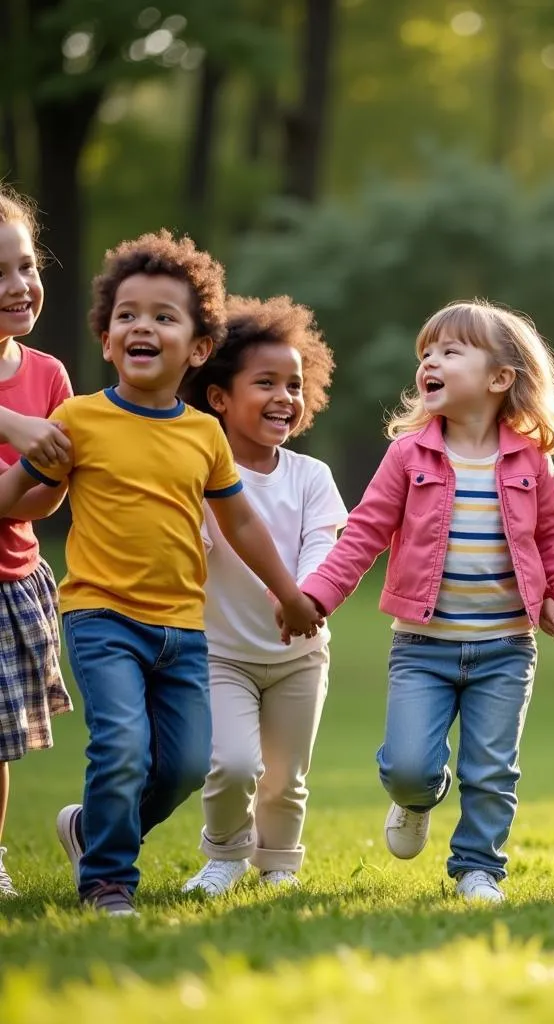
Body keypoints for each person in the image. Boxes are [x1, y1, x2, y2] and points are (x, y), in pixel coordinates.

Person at [0, 231, 323, 915]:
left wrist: (289, 593)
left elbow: (239, 523)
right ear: (109, 339)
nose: (142, 325)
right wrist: (24, 475)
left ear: (199, 348)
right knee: (122, 745)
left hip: (183, 629)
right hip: (101, 618)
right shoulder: (79, 419)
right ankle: (108, 881)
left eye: (164, 316)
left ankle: (92, 831)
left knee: (180, 766)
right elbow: (21, 494)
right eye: (127, 315)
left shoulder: (204, 434)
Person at [287, 300, 554, 903]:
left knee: (492, 769)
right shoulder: (409, 456)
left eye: (451, 351)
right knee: (408, 767)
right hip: (422, 647)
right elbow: (365, 532)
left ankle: (479, 868)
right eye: (426, 352)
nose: (431, 360)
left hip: (506, 647)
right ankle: (418, 797)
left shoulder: (531, 461)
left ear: (500, 378)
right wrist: (316, 594)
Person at [178, 295, 346, 895]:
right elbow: (191, 549)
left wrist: (303, 597)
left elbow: (324, 545)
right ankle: (224, 854)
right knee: (232, 765)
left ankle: (277, 865)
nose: (285, 397)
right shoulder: (200, 476)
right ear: (219, 398)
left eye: (295, 385)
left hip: (299, 654)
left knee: (285, 778)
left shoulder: (311, 476)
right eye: (266, 383)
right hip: (223, 652)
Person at [0, 185, 75, 898]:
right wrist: (15, 432)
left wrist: (30, 472)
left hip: (12, 577)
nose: (19, 286)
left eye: (26, 265)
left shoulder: (48, 375)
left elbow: (50, 494)